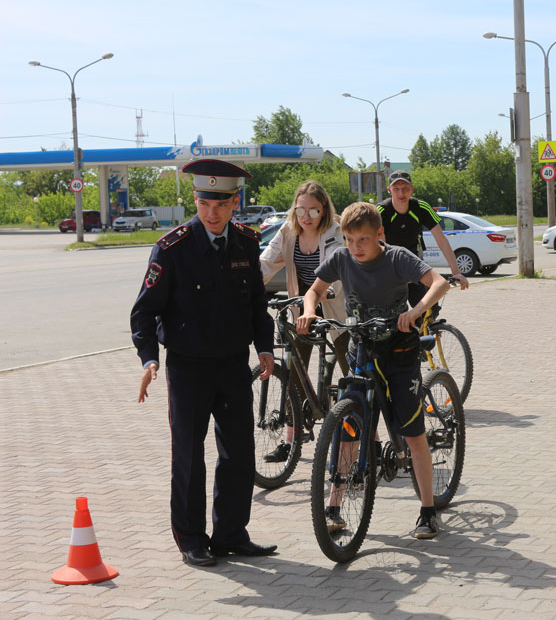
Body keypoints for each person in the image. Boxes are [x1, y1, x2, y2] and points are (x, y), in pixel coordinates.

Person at [130, 159, 277, 567]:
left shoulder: (247, 243)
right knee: (189, 456)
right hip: (188, 367)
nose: (211, 213)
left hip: (232, 364)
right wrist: (149, 359)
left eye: (220, 204)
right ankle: (192, 539)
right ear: (195, 200)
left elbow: (257, 306)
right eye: (203, 203)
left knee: (239, 453)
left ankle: (231, 534)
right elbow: (143, 312)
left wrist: (264, 348)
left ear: (235, 202)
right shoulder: (172, 247)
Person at [297, 201, 450, 538]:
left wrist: (417, 310)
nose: (355, 248)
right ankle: (334, 507)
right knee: (348, 426)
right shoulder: (341, 257)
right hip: (361, 350)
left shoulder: (396, 257)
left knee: (412, 432)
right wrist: (309, 311)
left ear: (379, 234)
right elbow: (315, 290)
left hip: (398, 352)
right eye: (350, 240)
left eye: (363, 240)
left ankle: (427, 510)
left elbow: (439, 282)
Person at [259, 180, 349, 463]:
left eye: (313, 211)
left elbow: (334, 265)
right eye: (301, 210)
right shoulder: (287, 231)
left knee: (353, 368)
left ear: (324, 211)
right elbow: (266, 262)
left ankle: (373, 439)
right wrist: (243, 287)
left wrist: (323, 293)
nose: (306, 217)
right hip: (303, 308)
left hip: (336, 307)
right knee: (293, 373)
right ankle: (292, 438)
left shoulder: (334, 230)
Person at [377, 170, 469, 311]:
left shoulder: (421, 207)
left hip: (414, 264)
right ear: (389, 190)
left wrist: (456, 272)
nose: (401, 193)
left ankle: (427, 330)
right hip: (390, 267)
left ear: (412, 189)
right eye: (396, 189)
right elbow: (379, 245)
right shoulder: (381, 211)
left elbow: (442, 240)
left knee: (429, 310)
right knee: (391, 319)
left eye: (405, 189)